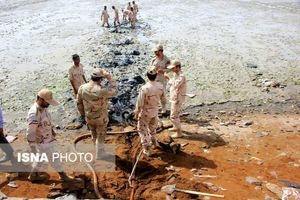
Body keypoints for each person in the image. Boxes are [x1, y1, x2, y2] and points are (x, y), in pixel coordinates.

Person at [26, 88, 72, 182]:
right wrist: (32, 147)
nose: (49, 104)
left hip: (47, 138)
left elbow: (46, 121)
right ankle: (62, 175)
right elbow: (30, 132)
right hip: (42, 141)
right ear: (40, 99)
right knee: (54, 157)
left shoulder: (44, 108)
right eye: (47, 102)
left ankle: (33, 175)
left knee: (40, 157)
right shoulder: (34, 114)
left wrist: (52, 130)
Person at [77, 68, 118, 159]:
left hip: (89, 117)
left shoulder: (82, 88)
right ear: (100, 79)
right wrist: (110, 79)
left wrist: (83, 114)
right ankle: (100, 154)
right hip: (100, 118)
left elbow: (79, 103)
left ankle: (95, 147)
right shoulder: (101, 89)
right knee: (100, 135)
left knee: (93, 132)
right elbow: (115, 91)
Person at [134, 66, 166, 156]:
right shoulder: (161, 86)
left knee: (142, 129)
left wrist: (136, 113)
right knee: (153, 127)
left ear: (147, 76)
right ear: (156, 76)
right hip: (155, 110)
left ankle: (147, 148)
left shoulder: (144, 88)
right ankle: (154, 142)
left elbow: (139, 103)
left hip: (145, 112)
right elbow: (163, 98)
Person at [164, 60, 186, 138]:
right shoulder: (176, 73)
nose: (172, 70)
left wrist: (168, 77)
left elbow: (175, 85)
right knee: (175, 113)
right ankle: (175, 127)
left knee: (173, 116)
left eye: (173, 68)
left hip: (177, 98)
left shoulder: (181, 76)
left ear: (178, 67)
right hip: (174, 97)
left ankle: (179, 132)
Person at [150, 44, 170, 114]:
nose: (155, 53)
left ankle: (163, 108)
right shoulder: (154, 59)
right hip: (154, 79)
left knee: (162, 94)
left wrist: (162, 71)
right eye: (155, 52)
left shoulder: (166, 60)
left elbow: (169, 69)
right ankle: (155, 107)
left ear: (160, 51)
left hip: (162, 80)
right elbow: (150, 67)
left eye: (156, 51)